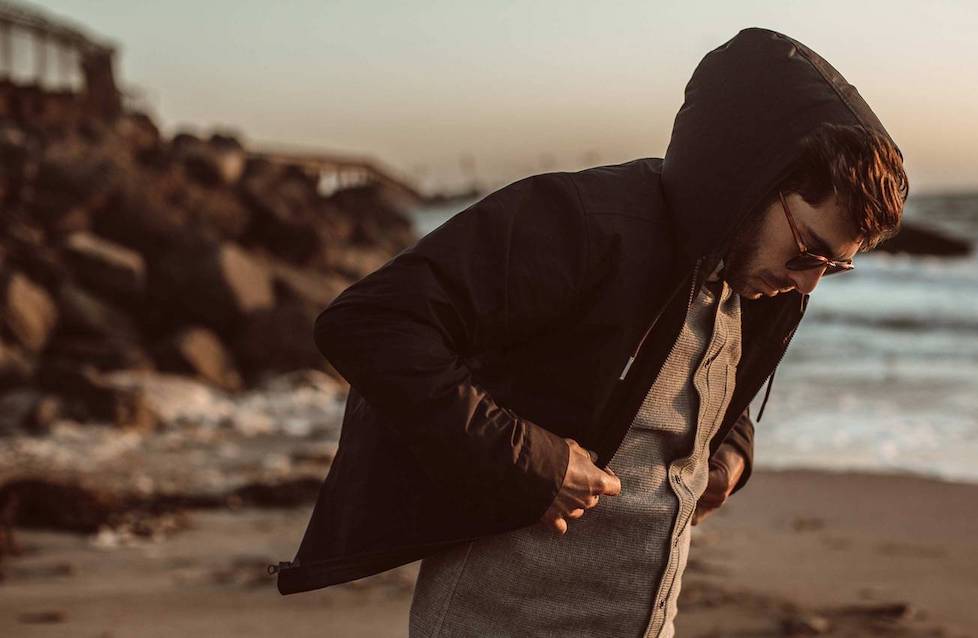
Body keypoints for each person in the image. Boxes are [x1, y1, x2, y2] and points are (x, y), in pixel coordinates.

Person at [274, 26, 908, 637]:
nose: (808, 283)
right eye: (808, 251)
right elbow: (371, 322)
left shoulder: (749, 276)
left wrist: (731, 454)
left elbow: (701, 376)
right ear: (756, 182)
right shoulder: (579, 225)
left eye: (833, 266)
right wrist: (528, 461)